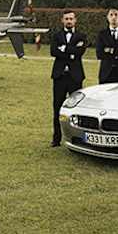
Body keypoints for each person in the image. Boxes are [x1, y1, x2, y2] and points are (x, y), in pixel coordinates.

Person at [49, 10, 87, 147]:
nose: (69, 21)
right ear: (62, 20)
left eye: (71, 18)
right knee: (57, 108)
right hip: (59, 77)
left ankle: (78, 139)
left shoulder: (81, 36)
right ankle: (56, 138)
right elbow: (53, 51)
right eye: (66, 19)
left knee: (77, 109)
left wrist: (64, 49)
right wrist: (71, 52)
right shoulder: (56, 36)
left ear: (75, 20)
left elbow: (80, 52)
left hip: (75, 77)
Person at [95, 9, 118, 84]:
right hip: (106, 74)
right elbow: (99, 54)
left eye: (116, 15)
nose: (114, 17)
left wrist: (110, 50)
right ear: (107, 17)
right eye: (111, 15)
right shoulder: (102, 34)